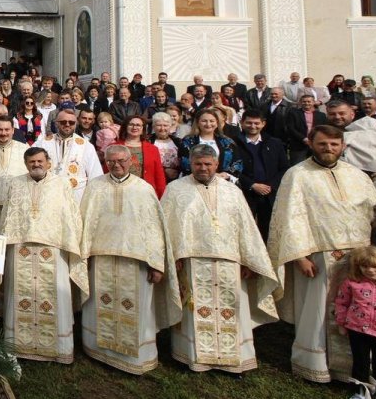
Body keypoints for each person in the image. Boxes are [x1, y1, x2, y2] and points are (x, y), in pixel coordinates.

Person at [269, 125, 376, 383]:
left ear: (343, 146)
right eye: (322, 144)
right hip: (319, 257)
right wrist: (299, 257)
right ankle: (314, 364)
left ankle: (358, 366)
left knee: (360, 310)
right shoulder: (297, 175)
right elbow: (289, 218)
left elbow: (375, 210)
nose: (328, 149)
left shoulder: (357, 175)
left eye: (334, 144)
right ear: (311, 143)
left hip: (359, 260)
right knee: (318, 312)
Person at [161, 144, 280, 374]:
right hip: (192, 261)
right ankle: (194, 357)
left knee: (232, 307)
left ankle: (233, 360)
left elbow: (246, 227)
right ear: (191, 165)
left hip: (229, 261)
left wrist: (248, 260)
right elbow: (167, 227)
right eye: (198, 164)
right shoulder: (175, 189)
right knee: (194, 309)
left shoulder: (232, 191)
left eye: (208, 164)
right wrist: (172, 256)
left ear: (217, 164)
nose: (203, 168)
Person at [78, 146, 180, 374]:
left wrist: (156, 263)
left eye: (121, 161)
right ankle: (99, 350)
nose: (117, 165)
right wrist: (84, 257)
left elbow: (154, 229)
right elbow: (85, 223)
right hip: (101, 258)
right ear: (106, 162)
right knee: (100, 305)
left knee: (134, 308)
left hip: (136, 263)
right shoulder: (95, 186)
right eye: (112, 161)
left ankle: (135, 358)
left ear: (131, 161)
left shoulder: (144, 189)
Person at [0, 147, 86, 364]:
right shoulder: (16, 183)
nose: (36, 165)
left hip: (53, 248)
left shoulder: (62, 184)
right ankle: (17, 346)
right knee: (19, 293)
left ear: (48, 162)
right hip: (20, 248)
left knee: (54, 293)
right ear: (26, 164)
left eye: (39, 161)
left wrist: (71, 244)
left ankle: (59, 348)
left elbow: (71, 217)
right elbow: (7, 216)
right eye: (31, 162)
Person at [333, 246, 376, 399]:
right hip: (358, 330)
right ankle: (360, 393)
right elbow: (341, 303)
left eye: (375, 267)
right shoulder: (352, 283)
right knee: (360, 363)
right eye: (365, 267)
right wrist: (341, 323)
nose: (370, 271)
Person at [235, 109, 288, 241]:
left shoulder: (275, 142)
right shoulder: (233, 143)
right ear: (242, 123)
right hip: (245, 193)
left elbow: (284, 168)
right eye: (249, 123)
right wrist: (251, 185)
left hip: (269, 194)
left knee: (269, 230)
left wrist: (270, 186)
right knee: (245, 229)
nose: (253, 126)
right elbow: (232, 169)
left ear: (263, 124)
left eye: (256, 123)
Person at [39, 108, 104, 204]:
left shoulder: (86, 146)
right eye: (63, 122)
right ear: (56, 123)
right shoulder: (42, 143)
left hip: (76, 197)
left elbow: (95, 176)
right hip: (48, 195)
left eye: (71, 122)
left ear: (76, 123)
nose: (67, 124)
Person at [115, 114, 166, 198]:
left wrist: (162, 196)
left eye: (138, 125)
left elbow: (159, 175)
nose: (134, 127)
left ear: (143, 129)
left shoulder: (153, 149)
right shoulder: (114, 147)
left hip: (145, 193)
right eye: (131, 124)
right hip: (120, 193)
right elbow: (107, 172)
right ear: (125, 127)